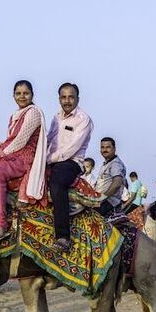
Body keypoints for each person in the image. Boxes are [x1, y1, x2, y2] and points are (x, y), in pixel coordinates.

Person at [0, 80, 47, 240]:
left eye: (26, 93)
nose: (22, 96)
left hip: (24, 158)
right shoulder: (15, 115)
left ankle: (0, 223)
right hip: (14, 154)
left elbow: (20, 140)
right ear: (13, 95)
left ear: (32, 95)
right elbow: (10, 139)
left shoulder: (33, 112)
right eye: (18, 93)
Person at [45, 83, 93, 252]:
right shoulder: (56, 117)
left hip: (71, 162)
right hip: (51, 160)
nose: (67, 101)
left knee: (57, 183)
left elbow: (71, 149)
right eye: (63, 97)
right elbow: (49, 141)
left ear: (77, 99)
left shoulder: (83, 119)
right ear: (59, 99)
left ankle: (63, 237)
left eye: (71, 97)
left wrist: (47, 160)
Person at [94, 137, 126, 217]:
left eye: (108, 147)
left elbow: (117, 183)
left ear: (114, 149)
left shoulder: (115, 164)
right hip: (102, 201)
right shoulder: (106, 163)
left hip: (109, 203)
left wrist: (102, 198)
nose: (105, 150)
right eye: (102, 147)